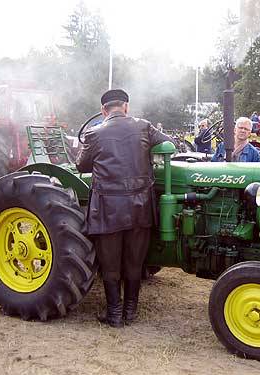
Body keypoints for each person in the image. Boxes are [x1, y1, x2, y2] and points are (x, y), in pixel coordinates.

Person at [75, 89, 172, 328]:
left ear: (103, 111)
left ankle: (114, 314)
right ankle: (130, 311)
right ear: (126, 107)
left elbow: (81, 166)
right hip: (140, 208)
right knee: (134, 262)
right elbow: (170, 144)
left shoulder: (94, 133)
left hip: (108, 209)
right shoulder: (145, 127)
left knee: (110, 265)